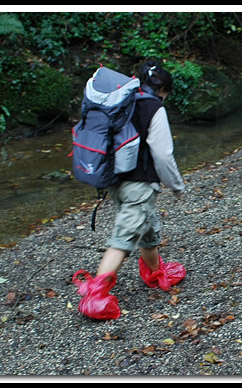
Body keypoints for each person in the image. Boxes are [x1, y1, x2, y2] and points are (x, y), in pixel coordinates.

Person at [94, 60, 186, 292]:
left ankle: (154, 272)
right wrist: (176, 186)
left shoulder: (120, 101)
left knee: (147, 228)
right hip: (139, 184)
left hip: (115, 181)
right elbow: (163, 155)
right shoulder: (153, 107)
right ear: (163, 90)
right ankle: (96, 293)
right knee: (122, 240)